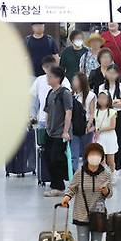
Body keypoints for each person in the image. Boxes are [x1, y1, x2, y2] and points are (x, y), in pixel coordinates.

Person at [60, 143, 112, 241]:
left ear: (101, 157)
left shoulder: (106, 173)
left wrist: (105, 191)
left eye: (97, 154)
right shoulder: (80, 173)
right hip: (81, 213)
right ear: (87, 156)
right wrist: (66, 197)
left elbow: (110, 194)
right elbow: (72, 188)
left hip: (98, 216)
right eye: (91, 154)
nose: (94, 157)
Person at [43, 67, 73, 197]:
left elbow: (68, 112)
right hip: (50, 132)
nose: (47, 78)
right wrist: (47, 127)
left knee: (57, 159)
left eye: (50, 76)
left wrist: (66, 131)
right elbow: (48, 111)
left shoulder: (64, 93)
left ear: (57, 78)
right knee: (48, 158)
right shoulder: (50, 92)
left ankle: (59, 187)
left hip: (60, 133)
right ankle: (54, 184)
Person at [97, 65, 121, 176]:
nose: (111, 75)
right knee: (103, 142)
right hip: (105, 115)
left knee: (118, 141)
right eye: (109, 72)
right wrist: (115, 101)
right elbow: (101, 101)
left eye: (114, 73)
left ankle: (116, 167)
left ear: (118, 74)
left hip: (118, 115)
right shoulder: (101, 87)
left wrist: (112, 102)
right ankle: (105, 168)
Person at [30, 56, 71, 127]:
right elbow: (33, 99)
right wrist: (33, 115)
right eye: (47, 66)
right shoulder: (39, 80)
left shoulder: (63, 79)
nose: (50, 68)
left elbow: (68, 97)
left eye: (52, 66)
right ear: (43, 67)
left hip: (58, 120)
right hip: (42, 120)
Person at [71, 72, 96, 171]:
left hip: (86, 126)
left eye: (75, 80)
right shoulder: (71, 94)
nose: (74, 82)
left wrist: (89, 125)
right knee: (74, 154)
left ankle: (87, 174)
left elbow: (92, 112)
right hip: (74, 126)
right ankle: (73, 175)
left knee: (87, 153)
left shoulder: (90, 95)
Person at [93, 92, 118, 173]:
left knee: (110, 159)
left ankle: (112, 174)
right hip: (99, 138)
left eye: (104, 98)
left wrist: (100, 130)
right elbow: (95, 125)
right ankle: (103, 176)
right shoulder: (95, 111)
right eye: (100, 98)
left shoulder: (112, 112)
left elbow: (112, 126)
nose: (101, 100)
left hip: (109, 137)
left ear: (108, 100)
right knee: (101, 159)